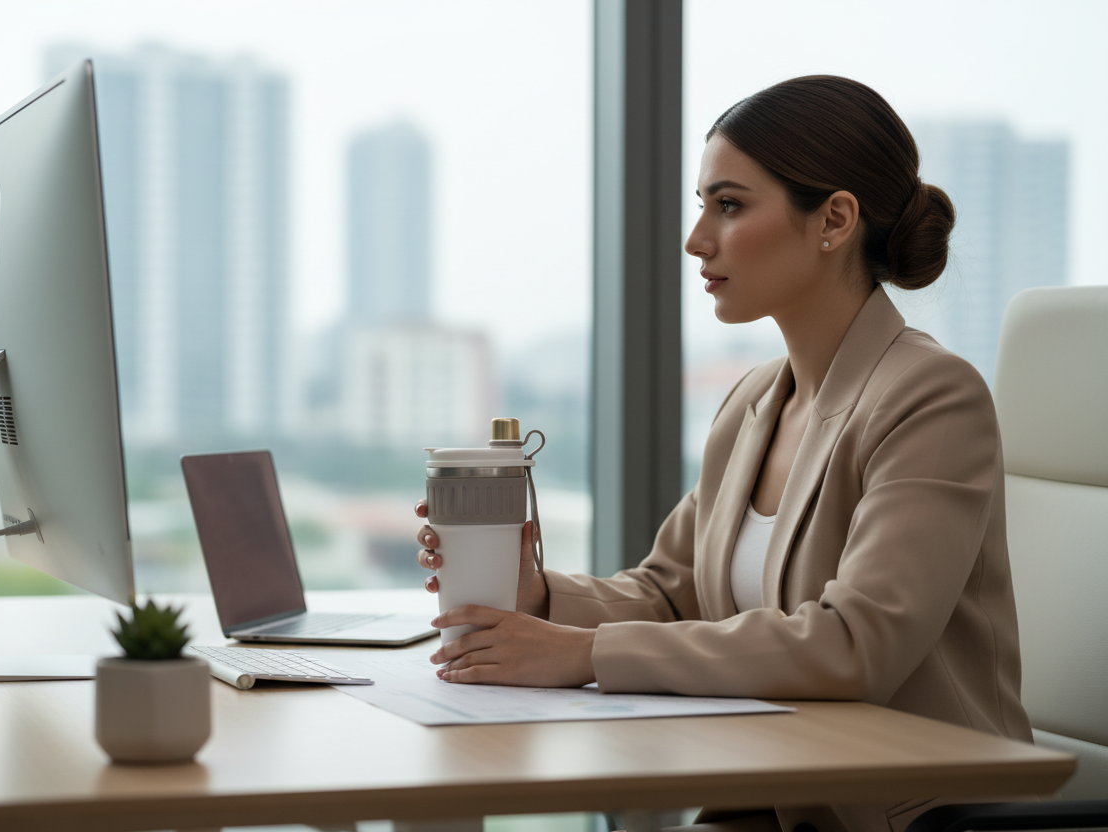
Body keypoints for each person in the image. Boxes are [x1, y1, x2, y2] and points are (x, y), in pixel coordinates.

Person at [414, 76, 1031, 832]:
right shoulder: (753, 402)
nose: (696, 238)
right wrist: (538, 596)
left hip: (901, 813)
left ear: (834, 219)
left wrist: (583, 653)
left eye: (729, 205)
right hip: (774, 794)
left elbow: (855, 645)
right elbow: (673, 595)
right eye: (702, 204)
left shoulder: (934, 397)